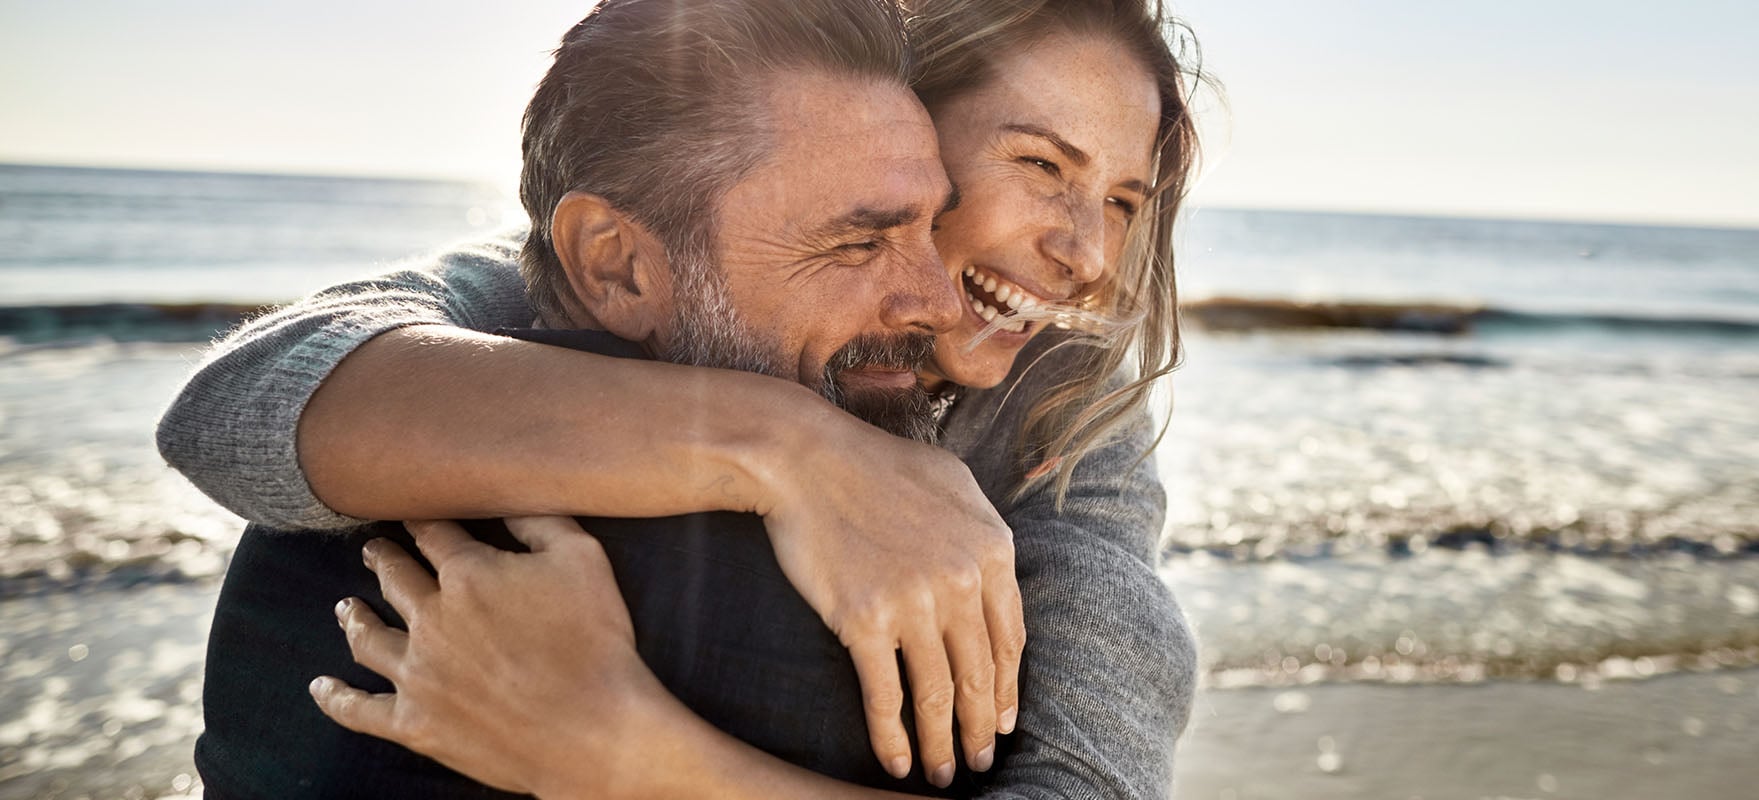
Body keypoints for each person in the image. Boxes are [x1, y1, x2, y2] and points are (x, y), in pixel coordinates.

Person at [163, 0, 1206, 796]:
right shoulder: (569, 286)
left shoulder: (1068, 418)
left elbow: (1093, 772)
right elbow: (235, 410)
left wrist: (627, 752)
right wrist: (790, 446)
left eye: (1123, 201)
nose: (1090, 255)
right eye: (1038, 163)